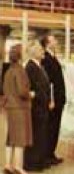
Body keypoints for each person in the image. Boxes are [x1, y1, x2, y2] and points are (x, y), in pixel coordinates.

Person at [3, 44, 32, 174]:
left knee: (11, 137)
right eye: (25, 52)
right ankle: (18, 166)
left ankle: (8, 164)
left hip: (10, 106)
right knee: (20, 138)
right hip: (20, 107)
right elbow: (21, 91)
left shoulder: (8, 71)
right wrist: (30, 94)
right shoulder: (20, 70)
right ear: (20, 56)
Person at [24, 42, 53, 172]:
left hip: (43, 106)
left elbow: (46, 85)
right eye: (40, 49)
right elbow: (29, 88)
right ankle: (32, 163)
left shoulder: (40, 66)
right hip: (36, 107)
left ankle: (40, 160)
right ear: (33, 52)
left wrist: (49, 100)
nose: (43, 51)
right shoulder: (30, 67)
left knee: (41, 135)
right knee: (36, 135)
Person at [40, 35, 66, 166]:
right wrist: (51, 99)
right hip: (53, 100)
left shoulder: (53, 57)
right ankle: (47, 154)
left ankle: (51, 153)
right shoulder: (46, 58)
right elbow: (48, 82)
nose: (56, 41)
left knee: (55, 127)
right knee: (51, 127)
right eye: (53, 39)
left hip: (58, 98)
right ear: (48, 43)